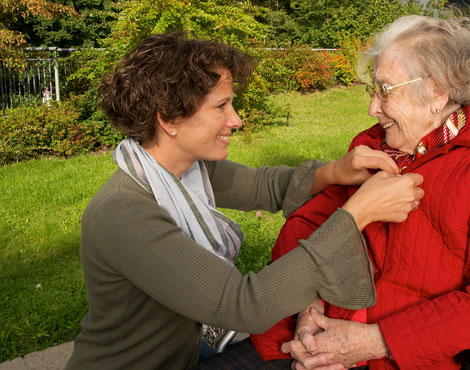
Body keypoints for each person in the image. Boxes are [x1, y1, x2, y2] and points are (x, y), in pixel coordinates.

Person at [64, 31, 425, 370]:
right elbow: (243, 305)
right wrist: (355, 214)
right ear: (170, 119)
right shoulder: (125, 213)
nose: (235, 120)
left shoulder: (187, 170)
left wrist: (335, 170)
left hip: (186, 354)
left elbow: (267, 187)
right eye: (221, 106)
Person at [247, 14, 470, 370]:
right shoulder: (371, 148)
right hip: (317, 342)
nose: (372, 108)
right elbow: (306, 226)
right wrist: (307, 310)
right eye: (372, 90)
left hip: (401, 359)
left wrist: (371, 342)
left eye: (385, 90)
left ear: (437, 92)